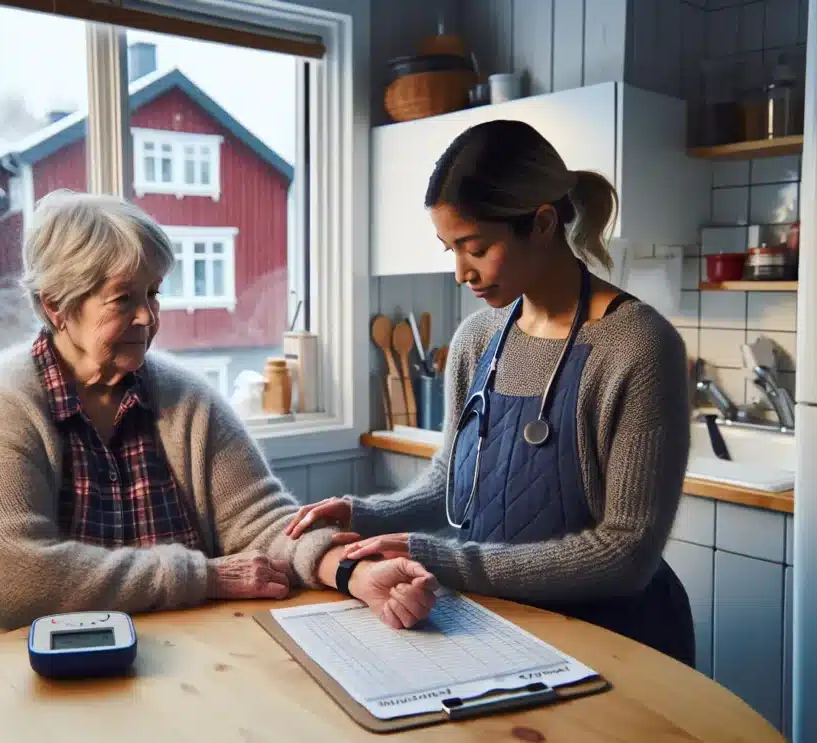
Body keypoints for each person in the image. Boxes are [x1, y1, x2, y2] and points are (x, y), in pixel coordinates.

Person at [0, 191, 437, 663]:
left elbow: (262, 522)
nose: (148, 317)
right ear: (57, 305)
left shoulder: (186, 399)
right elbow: (17, 577)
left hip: (171, 660)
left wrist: (354, 572)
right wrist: (203, 576)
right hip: (5, 669)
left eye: (154, 292)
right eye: (124, 298)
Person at [288, 120, 695, 665]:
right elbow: (452, 486)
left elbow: (627, 552)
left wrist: (445, 559)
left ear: (543, 223)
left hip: (616, 640)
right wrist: (361, 515)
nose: (460, 272)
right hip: (501, 628)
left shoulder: (637, 346)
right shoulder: (478, 338)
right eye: (449, 248)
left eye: (475, 247)